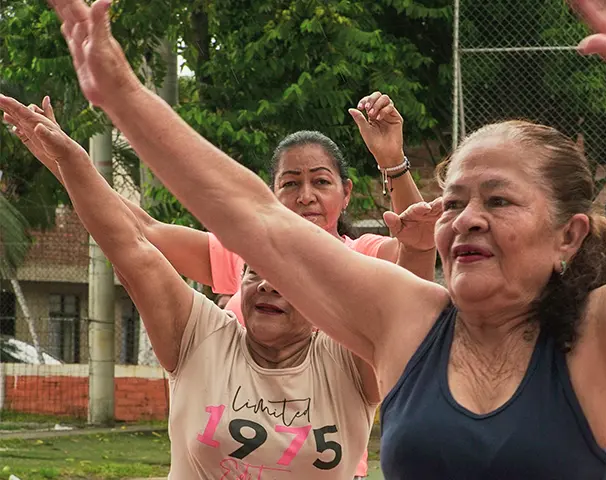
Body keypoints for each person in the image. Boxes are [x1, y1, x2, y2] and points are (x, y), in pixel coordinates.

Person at [24, 0, 606, 477]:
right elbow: (259, 220)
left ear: (569, 237)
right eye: (456, 199)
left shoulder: (603, 339)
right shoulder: (410, 318)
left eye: (498, 200)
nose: (465, 217)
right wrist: (119, 92)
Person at [2, 96, 437, 479]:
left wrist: (399, 181)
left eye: (320, 182)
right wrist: (69, 165)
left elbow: (409, 299)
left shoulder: (358, 300)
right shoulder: (204, 332)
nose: (305, 196)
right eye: (289, 183)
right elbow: (136, 241)